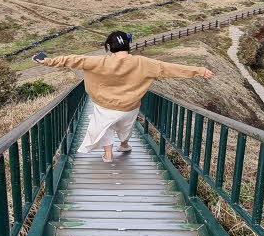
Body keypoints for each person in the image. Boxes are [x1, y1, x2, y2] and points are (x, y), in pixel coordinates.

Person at [34, 31, 215, 162]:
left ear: (108, 47)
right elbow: (170, 68)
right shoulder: (143, 63)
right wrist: (199, 70)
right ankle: (124, 144)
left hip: (105, 104)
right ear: (128, 45)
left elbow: (71, 60)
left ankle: (108, 154)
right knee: (125, 125)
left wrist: (47, 61)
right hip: (130, 105)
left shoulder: (99, 61)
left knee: (103, 126)